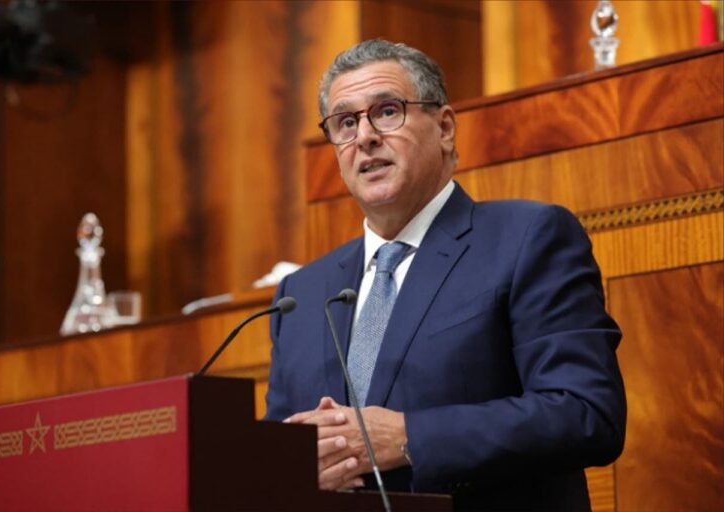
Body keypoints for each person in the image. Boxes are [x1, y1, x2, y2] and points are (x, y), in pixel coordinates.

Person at [265, 39, 626, 511]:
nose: (365, 136)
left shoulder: (527, 238)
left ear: (445, 127)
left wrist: (409, 437)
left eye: (387, 111)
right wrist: (293, 468)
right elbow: (276, 460)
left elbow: (586, 413)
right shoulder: (300, 295)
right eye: (346, 122)